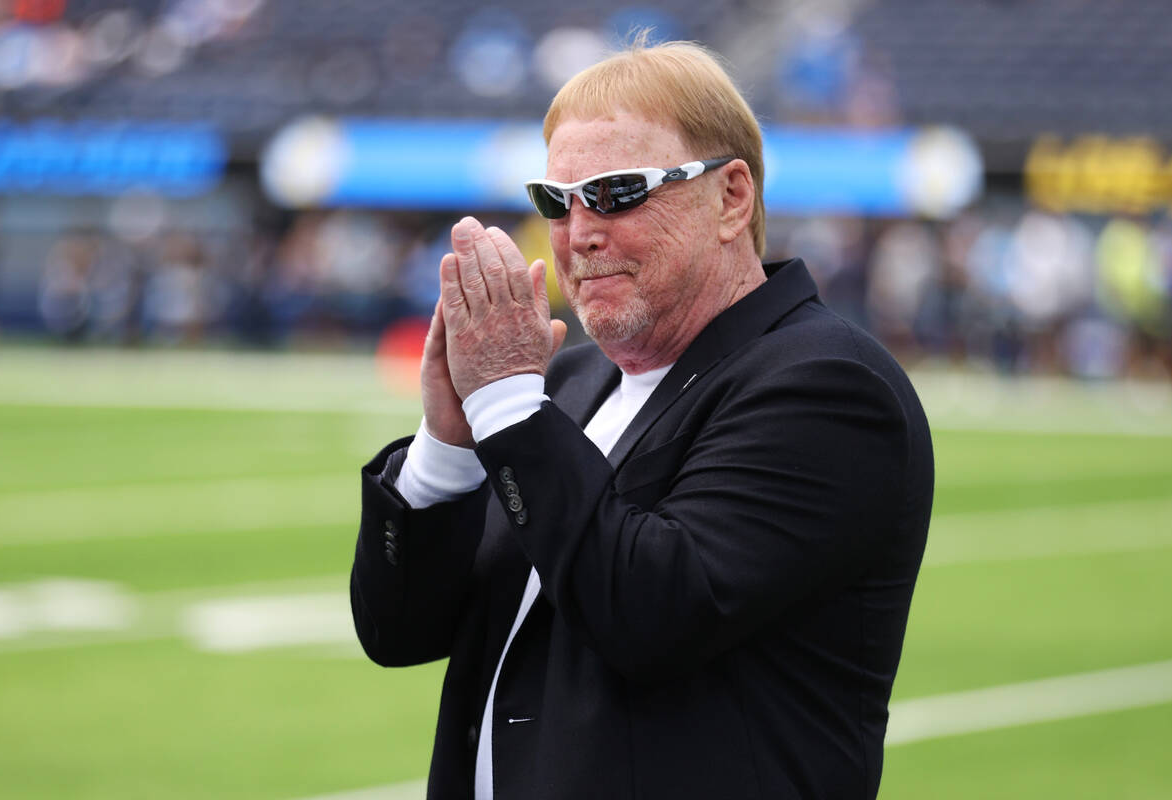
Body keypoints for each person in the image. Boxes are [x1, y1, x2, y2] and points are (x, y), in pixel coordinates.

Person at [351, 40, 933, 800]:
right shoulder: (564, 384)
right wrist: (447, 447)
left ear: (732, 198)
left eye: (618, 191)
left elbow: (651, 615)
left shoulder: (828, 385)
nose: (579, 232)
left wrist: (505, 405)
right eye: (556, 200)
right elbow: (400, 632)